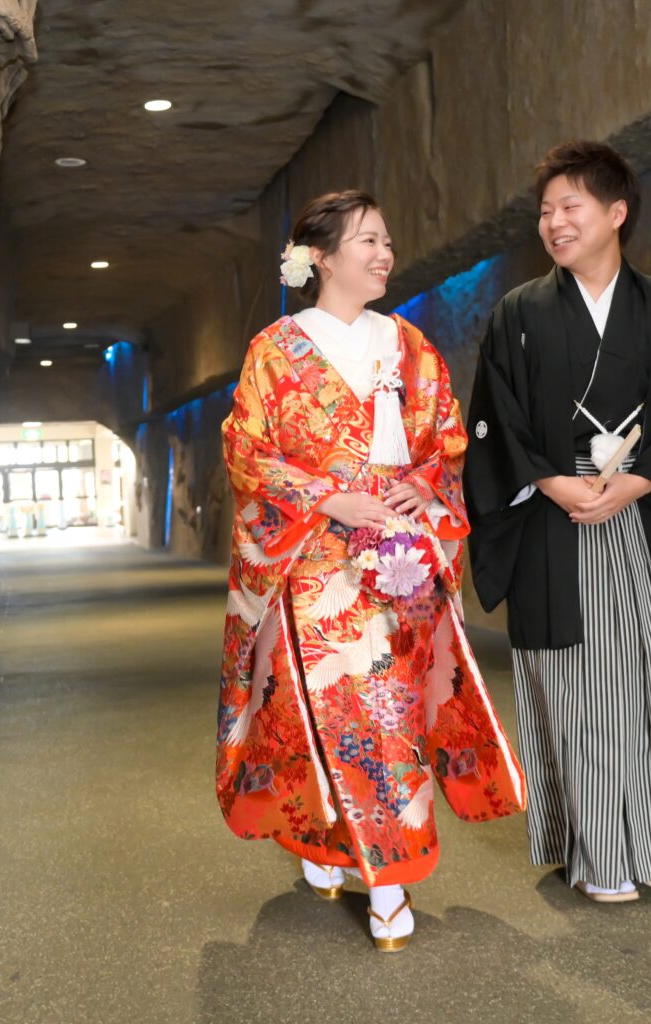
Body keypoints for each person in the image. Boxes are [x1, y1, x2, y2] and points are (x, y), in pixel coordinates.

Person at [217, 190, 526, 951]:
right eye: (366, 242)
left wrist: (418, 487)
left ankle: (371, 861)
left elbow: (447, 443)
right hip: (315, 558)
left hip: (400, 555)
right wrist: (332, 497)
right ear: (319, 257)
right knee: (325, 716)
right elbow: (247, 451)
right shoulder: (276, 350)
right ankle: (358, 862)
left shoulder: (412, 345)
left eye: (387, 241)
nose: (384, 254)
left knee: (392, 717)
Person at [464, 142, 651, 903]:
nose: (553, 223)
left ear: (616, 214)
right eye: (546, 211)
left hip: (648, 515)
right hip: (557, 516)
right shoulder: (518, 314)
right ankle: (600, 851)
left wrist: (644, 478)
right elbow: (494, 422)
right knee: (580, 687)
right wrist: (551, 481)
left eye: (570, 208)